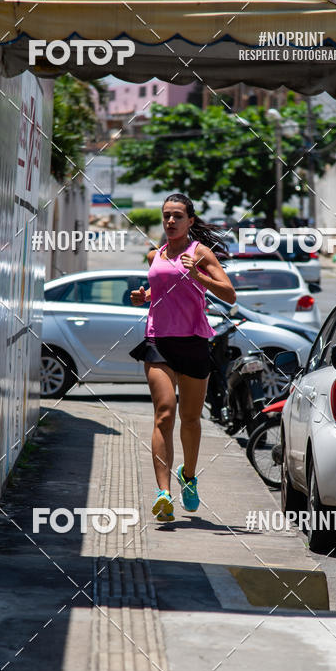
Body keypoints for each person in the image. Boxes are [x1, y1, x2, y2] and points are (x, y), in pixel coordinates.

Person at [129, 194, 236, 521]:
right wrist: (144, 296)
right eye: (166, 216)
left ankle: (188, 476)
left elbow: (229, 294)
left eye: (177, 216)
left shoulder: (200, 253)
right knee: (164, 413)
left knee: (190, 419)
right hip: (159, 341)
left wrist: (199, 276)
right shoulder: (155, 255)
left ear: (190, 221)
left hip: (193, 341)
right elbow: (163, 290)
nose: (171, 221)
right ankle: (163, 494)